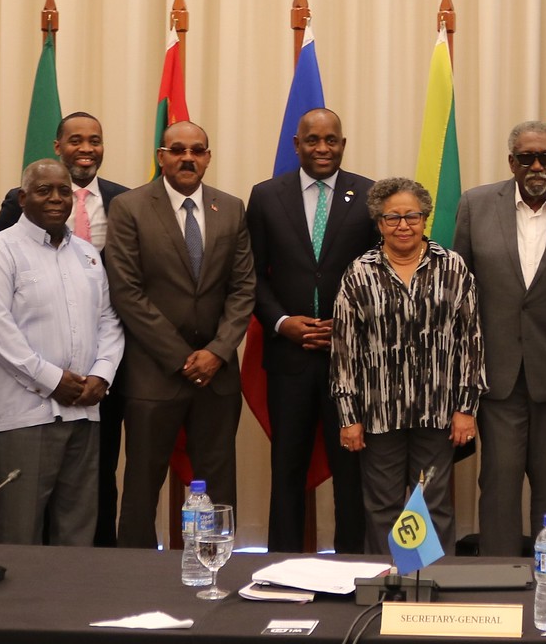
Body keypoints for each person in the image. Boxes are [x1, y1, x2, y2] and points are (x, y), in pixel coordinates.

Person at [451, 121, 546, 556]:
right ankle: (497, 585)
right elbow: (459, 300)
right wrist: (464, 381)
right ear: (511, 162)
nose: (536, 166)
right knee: (498, 486)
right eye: (527, 158)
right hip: (496, 378)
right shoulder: (475, 205)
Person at [104, 121, 256, 549]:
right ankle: (133, 578)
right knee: (141, 486)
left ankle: (213, 565)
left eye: (197, 150)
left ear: (208, 156)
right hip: (154, 374)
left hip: (217, 375)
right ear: (161, 156)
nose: (187, 157)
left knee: (218, 486)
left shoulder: (230, 208)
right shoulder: (130, 207)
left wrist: (217, 352)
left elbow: (243, 289)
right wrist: (182, 358)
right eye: (177, 150)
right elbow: (127, 291)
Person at [0, 111, 132, 547]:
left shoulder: (94, 241)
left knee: (85, 510)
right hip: (29, 405)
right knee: (24, 524)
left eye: (95, 140)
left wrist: (102, 373)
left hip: (94, 394)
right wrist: (53, 380)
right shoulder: (1, 250)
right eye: (75, 140)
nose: (85, 148)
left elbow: (111, 313)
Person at [332, 178, 484, 556]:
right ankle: (388, 588)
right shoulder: (359, 273)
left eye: (412, 216)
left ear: (425, 218)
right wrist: (348, 416)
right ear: (379, 223)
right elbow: (344, 349)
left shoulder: (453, 267)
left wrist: (467, 409)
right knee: (383, 507)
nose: (403, 225)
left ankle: (435, 588)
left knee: (433, 507)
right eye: (393, 217)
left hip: (438, 415)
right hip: (379, 415)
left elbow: (472, 341)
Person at [248, 108, 375, 553]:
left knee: (351, 472)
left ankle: (351, 567)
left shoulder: (369, 195)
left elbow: (380, 274)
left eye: (332, 140)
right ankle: (281, 566)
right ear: (296, 145)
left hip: (353, 362)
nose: (323, 148)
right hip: (290, 359)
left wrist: (349, 324)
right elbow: (253, 276)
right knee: (287, 471)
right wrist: (282, 323)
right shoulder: (265, 196)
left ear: (343, 143)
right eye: (313, 140)